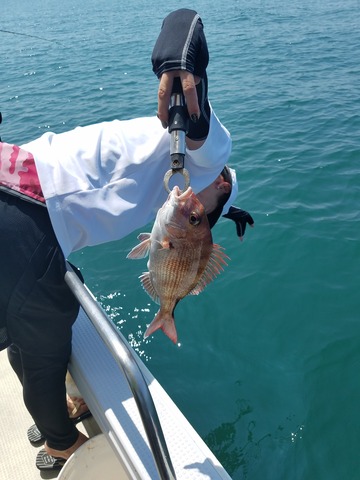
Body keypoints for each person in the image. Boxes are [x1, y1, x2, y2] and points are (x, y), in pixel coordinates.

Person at [0, 8, 254, 470]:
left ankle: (56, 407)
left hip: (14, 171)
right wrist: (178, 65)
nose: (204, 212)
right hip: (31, 211)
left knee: (36, 309)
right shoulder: (203, 149)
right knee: (43, 328)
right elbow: (184, 25)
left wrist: (224, 209)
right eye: (211, 211)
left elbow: (200, 202)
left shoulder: (182, 177)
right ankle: (58, 441)